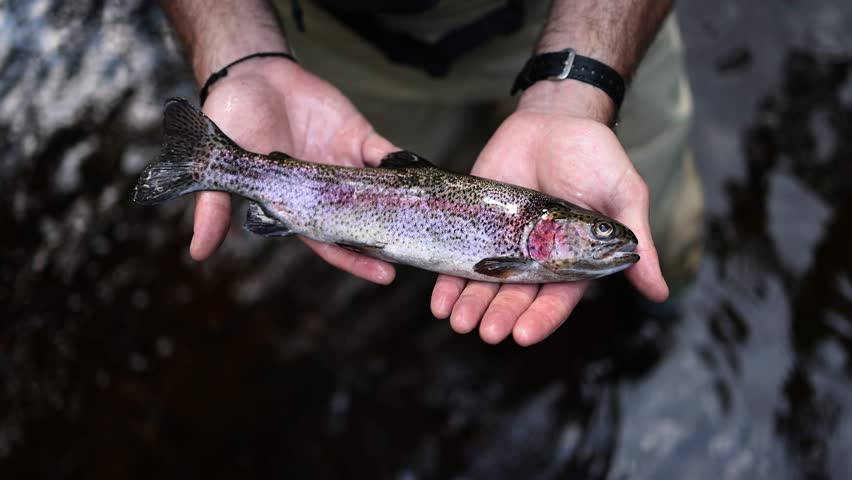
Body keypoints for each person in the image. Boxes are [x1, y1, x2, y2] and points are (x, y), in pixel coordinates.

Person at [159, 0, 703, 346]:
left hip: (585, 30)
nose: (606, 237)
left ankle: (670, 309)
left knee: (667, 234)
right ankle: (218, 161)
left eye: (601, 232)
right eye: (599, 232)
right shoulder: (517, 255)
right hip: (339, 45)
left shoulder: (535, 241)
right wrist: (241, 56)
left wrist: (580, 89)